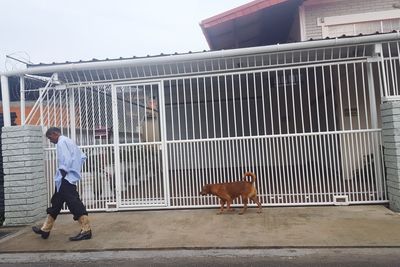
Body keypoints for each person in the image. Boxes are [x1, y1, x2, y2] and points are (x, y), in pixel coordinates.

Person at [32, 127, 92, 241]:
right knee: (56, 203)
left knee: (74, 203)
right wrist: (75, 169)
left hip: (65, 178)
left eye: (50, 138)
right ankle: (45, 229)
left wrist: (64, 173)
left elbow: (66, 160)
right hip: (66, 178)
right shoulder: (68, 141)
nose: (50, 141)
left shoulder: (61, 142)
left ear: (55, 134)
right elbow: (82, 156)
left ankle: (86, 230)